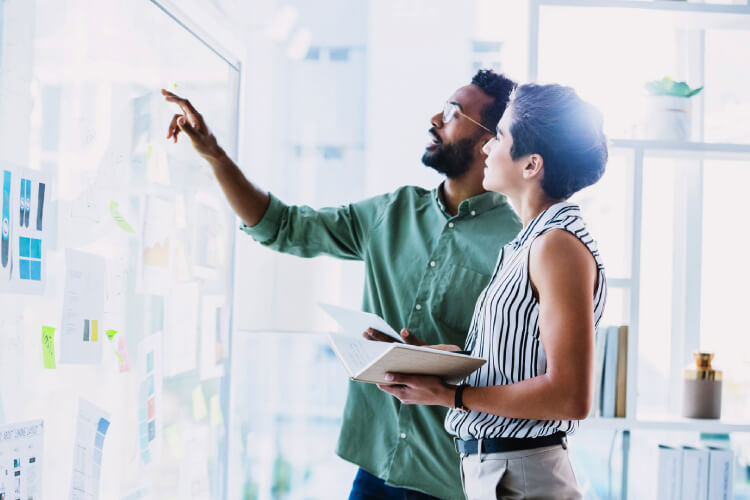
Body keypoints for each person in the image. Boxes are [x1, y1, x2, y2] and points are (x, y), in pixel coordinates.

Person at [161, 70, 522, 500]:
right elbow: (284, 226)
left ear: (488, 141)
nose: (434, 119)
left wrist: (446, 361)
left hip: (452, 480)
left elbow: (517, 366)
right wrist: (215, 155)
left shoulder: (518, 242)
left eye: (452, 113)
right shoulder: (393, 212)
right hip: (373, 467)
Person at [377, 83, 608, 500]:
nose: (486, 148)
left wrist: (452, 395)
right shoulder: (528, 244)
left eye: (499, 136)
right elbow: (517, 363)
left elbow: (570, 396)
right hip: (499, 472)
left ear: (531, 164)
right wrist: (428, 363)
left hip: (523, 477)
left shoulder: (556, 245)